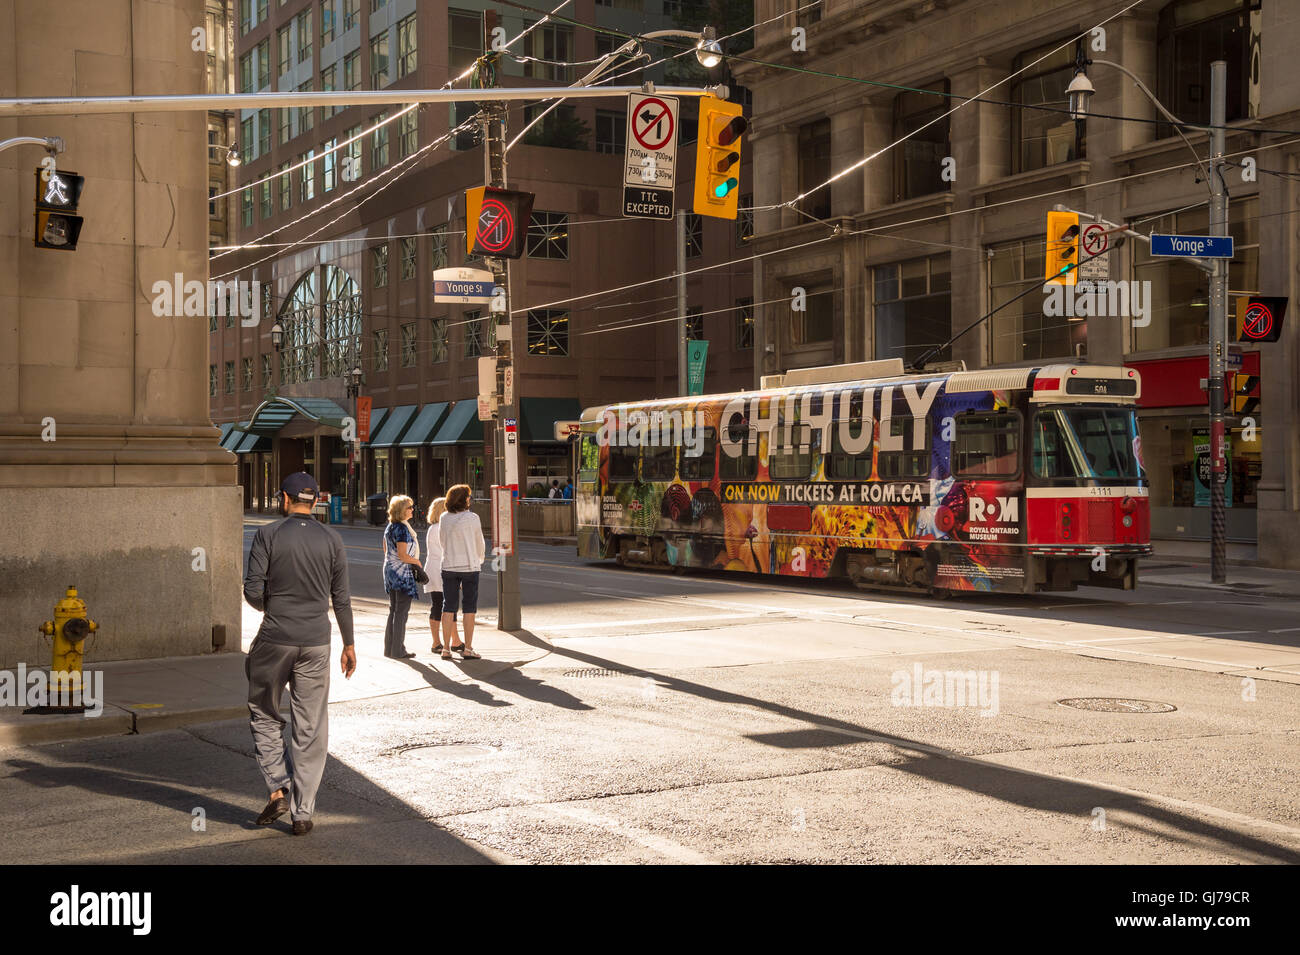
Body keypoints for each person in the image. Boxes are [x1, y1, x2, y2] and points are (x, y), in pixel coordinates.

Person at [243, 471, 355, 837]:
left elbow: (252, 590)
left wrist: (273, 608)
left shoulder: (268, 534)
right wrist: (349, 644)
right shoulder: (332, 538)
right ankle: (302, 813)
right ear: (315, 500)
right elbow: (341, 597)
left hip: (276, 636)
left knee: (264, 708)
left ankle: (277, 785)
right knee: (310, 727)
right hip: (317, 642)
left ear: (285, 500)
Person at [440, 483, 485, 660]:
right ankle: (468, 648)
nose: (469, 499)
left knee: (448, 606)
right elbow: (479, 543)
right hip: (469, 567)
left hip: (449, 566)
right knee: (469, 608)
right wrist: (478, 559)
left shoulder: (444, 517)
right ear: (464, 499)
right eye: (468, 496)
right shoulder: (473, 518)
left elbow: (442, 541)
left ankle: (445, 648)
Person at [382, 494, 422, 659]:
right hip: (402, 573)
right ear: (401, 511)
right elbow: (402, 554)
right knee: (401, 613)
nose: (412, 510)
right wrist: (417, 562)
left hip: (390, 571)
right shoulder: (402, 529)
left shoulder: (390, 526)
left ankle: (390, 649)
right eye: (409, 507)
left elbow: (385, 549)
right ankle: (398, 650)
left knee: (394, 610)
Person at [424, 496, 461, 655]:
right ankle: (453, 641)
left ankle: (439, 641)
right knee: (448, 606)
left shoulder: (432, 528)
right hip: (443, 570)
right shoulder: (442, 528)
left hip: (433, 569)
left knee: (438, 605)